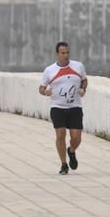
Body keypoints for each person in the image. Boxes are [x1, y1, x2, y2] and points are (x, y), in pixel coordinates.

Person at [38, 42, 87, 175]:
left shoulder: (78, 66)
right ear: (57, 54)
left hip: (75, 106)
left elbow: (84, 80)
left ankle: (71, 150)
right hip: (57, 107)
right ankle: (64, 164)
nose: (66, 55)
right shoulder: (50, 70)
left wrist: (83, 89)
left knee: (76, 137)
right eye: (63, 53)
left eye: (67, 52)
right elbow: (41, 88)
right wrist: (45, 92)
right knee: (60, 134)